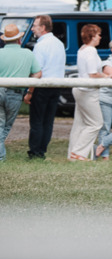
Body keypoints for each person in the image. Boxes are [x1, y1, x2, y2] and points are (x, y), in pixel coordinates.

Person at [26, 14, 66, 160]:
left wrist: (29, 92)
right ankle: (42, 150)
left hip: (42, 86)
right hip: (56, 85)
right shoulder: (59, 43)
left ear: (43, 28)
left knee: (37, 121)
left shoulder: (40, 45)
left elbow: (37, 71)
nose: (32, 29)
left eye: (35, 26)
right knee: (48, 121)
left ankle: (35, 151)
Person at [0, 23, 41, 162]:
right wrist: (29, 91)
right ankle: (0, 158)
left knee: (0, 125)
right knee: (6, 127)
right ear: (19, 40)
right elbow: (37, 73)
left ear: (5, 40)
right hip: (15, 93)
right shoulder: (28, 54)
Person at [67, 24, 106, 161]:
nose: (100, 37)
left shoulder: (82, 49)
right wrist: (107, 77)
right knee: (96, 123)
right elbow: (93, 74)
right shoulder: (90, 51)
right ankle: (79, 153)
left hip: (80, 88)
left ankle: (73, 154)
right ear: (93, 36)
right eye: (99, 34)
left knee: (80, 123)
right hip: (88, 91)